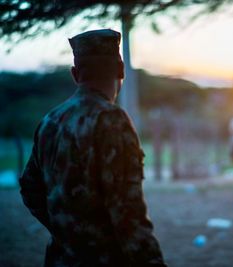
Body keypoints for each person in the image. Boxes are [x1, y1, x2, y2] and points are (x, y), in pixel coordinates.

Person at [19, 29, 167, 267]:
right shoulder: (111, 120)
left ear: (75, 74)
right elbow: (127, 212)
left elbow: (29, 188)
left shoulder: (51, 120)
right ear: (121, 70)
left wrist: (66, 228)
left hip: (60, 259)